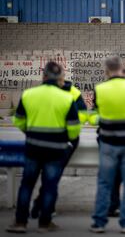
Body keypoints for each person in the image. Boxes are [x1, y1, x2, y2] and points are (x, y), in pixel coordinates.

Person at [6, 62, 81, 233]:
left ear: (44, 76)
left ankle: (20, 222)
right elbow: (74, 128)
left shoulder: (28, 94)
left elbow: (18, 120)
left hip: (33, 147)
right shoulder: (66, 98)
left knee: (26, 185)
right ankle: (44, 223)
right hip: (56, 150)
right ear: (60, 78)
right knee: (49, 186)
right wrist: (66, 138)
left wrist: (30, 132)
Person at [89, 57, 125, 234]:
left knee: (104, 182)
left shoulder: (100, 89)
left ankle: (99, 222)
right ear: (122, 69)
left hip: (108, 141)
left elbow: (97, 111)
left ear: (106, 70)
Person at [30, 77, 87, 219]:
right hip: (60, 138)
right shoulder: (68, 92)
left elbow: (82, 114)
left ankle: (42, 206)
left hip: (58, 138)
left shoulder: (66, 92)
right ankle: (44, 207)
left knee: (52, 174)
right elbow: (83, 115)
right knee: (52, 174)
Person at [108, 68, 125, 217]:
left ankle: (117, 209)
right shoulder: (107, 92)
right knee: (113, 177)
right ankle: (115, 207)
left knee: (121, 178)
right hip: (113, 141)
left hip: (124, 141)